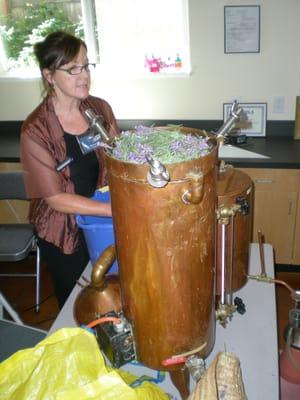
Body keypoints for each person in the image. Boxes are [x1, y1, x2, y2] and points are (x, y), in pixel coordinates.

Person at [20, 31, 119, 309]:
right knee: (80, 304)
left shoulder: (99, 109)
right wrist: (113, 210)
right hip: (63, 230)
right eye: (73, 69)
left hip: (100, 220)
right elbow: (54, 199)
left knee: (112, 293)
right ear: (49, 75)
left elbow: (119, 157)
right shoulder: (35, 130)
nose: (84, 75)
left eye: (86, 65)